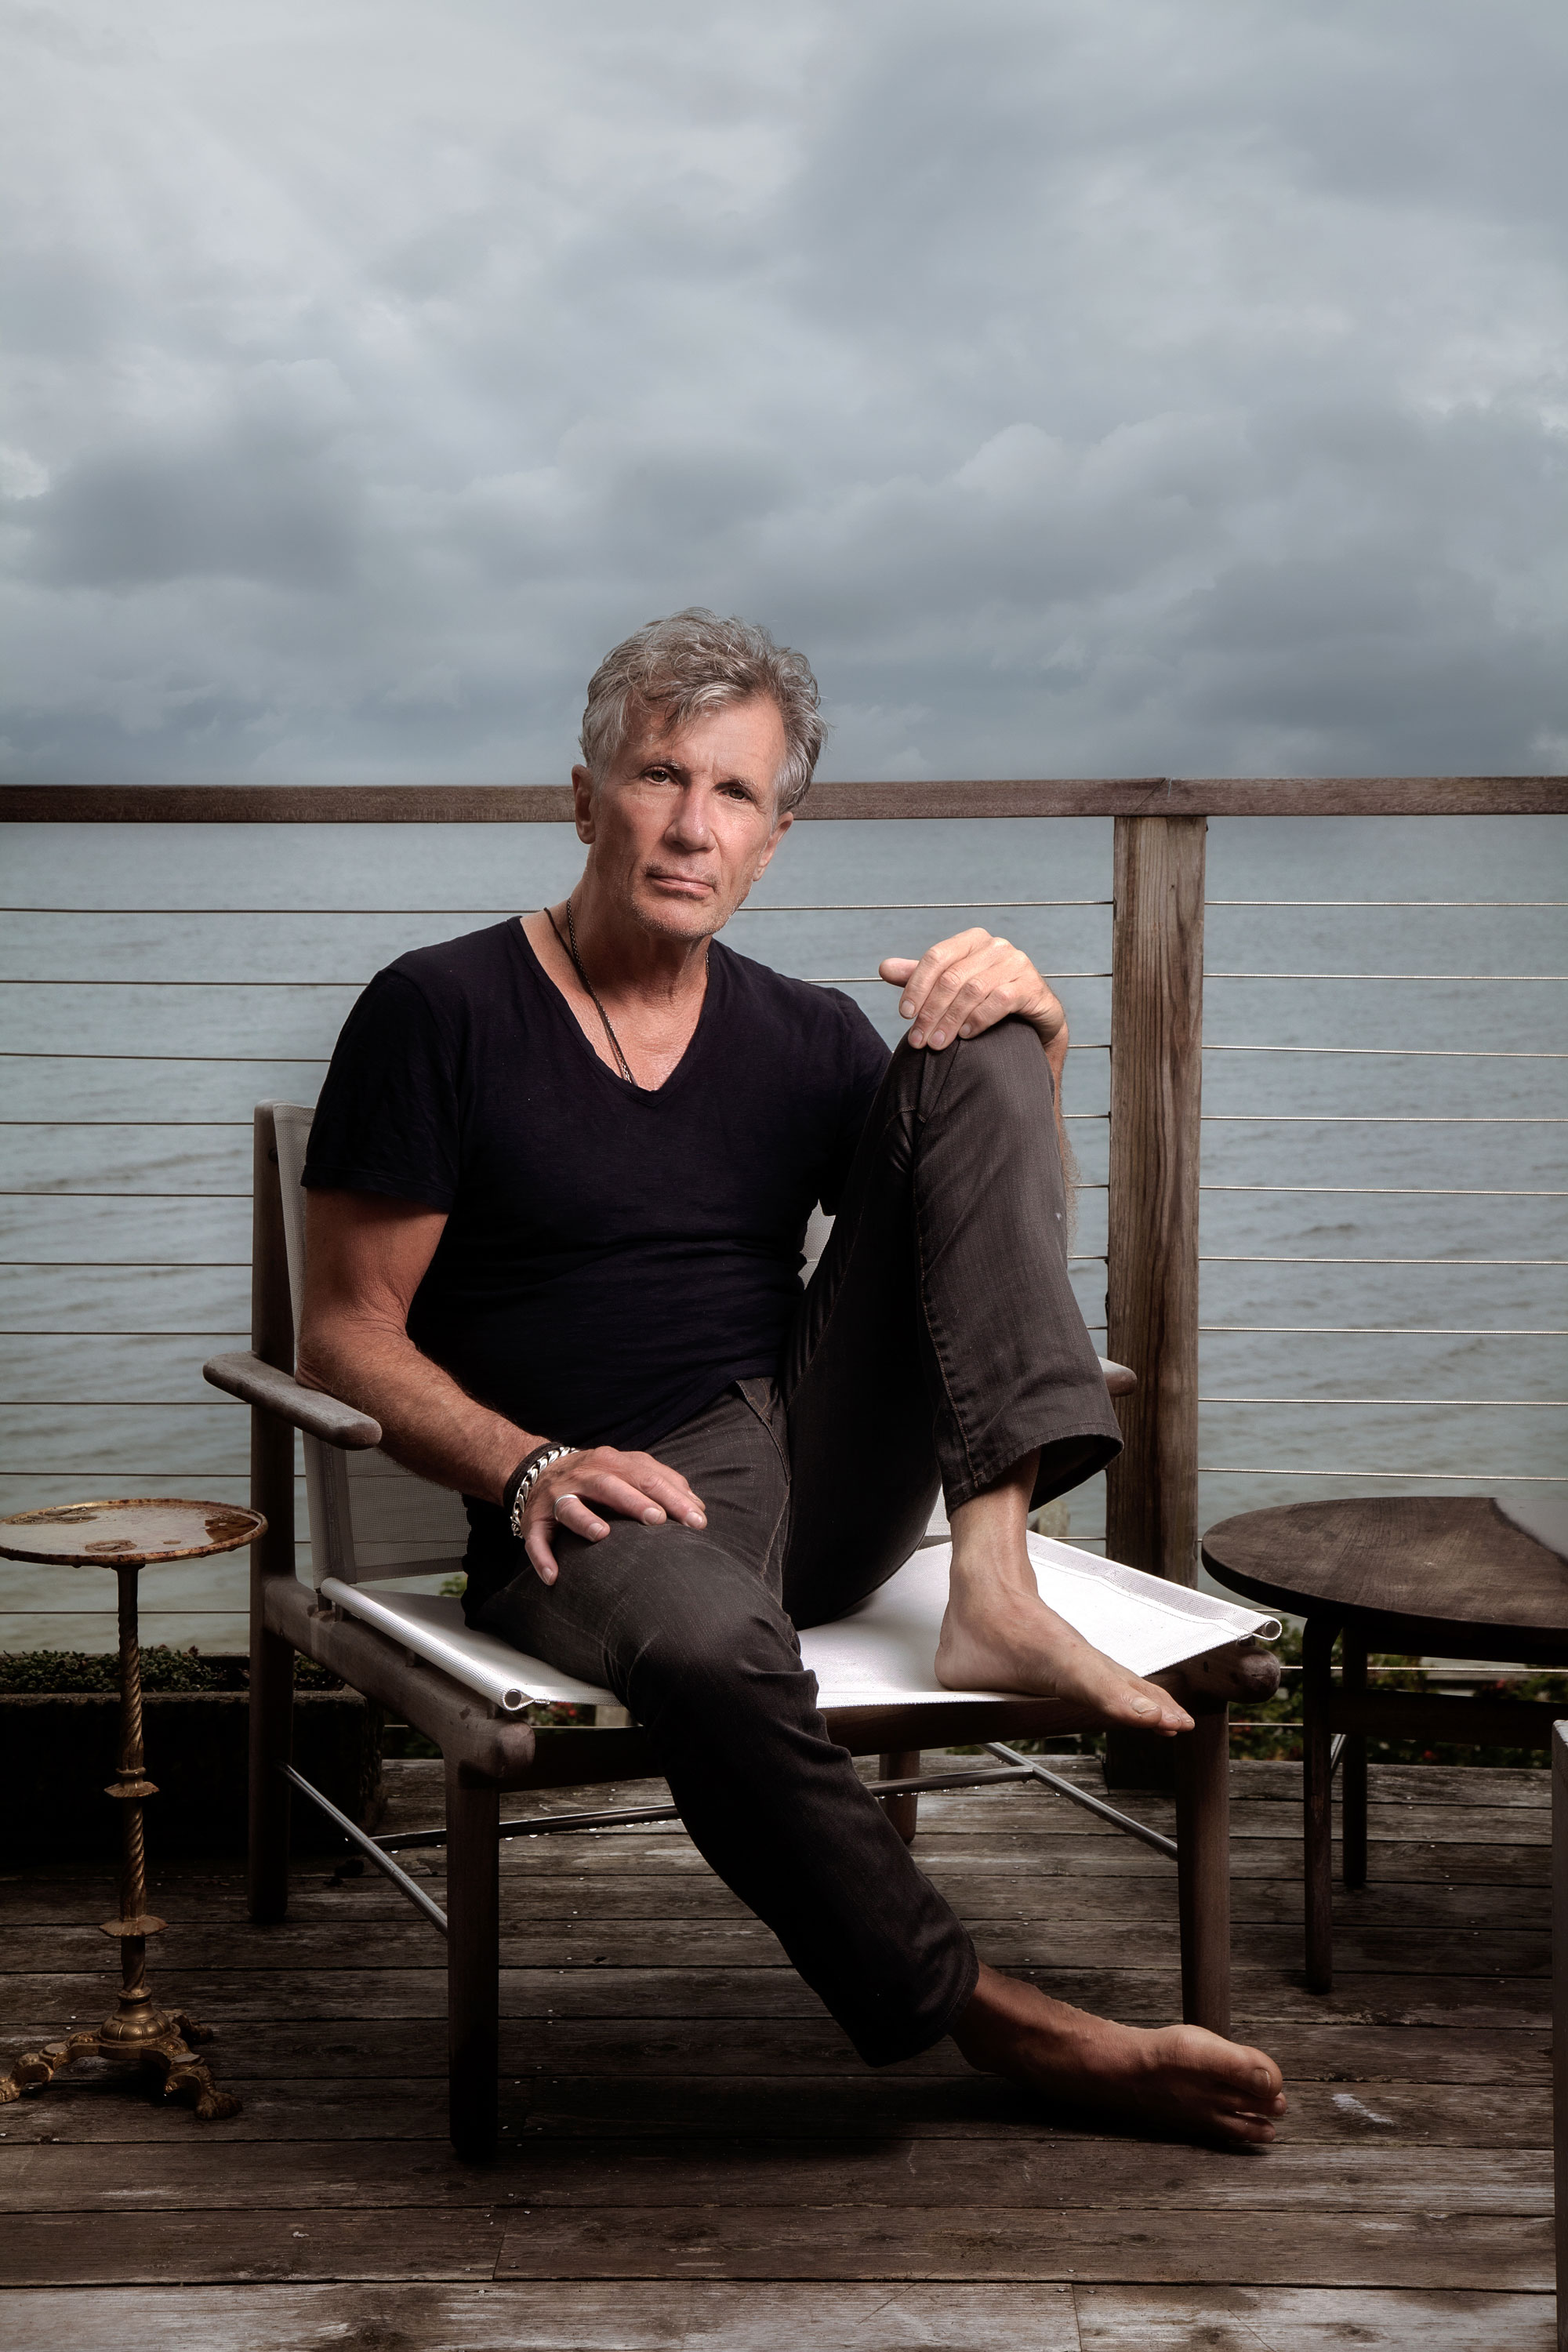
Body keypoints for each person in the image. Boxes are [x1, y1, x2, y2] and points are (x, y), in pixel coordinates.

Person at [297, 608, 1287, 2146]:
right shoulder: (440, 1011)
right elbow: (347, 1331)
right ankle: (1003, 2024)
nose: (692, 825)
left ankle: (993, 1584)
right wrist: (528, 1464)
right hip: (603, 1511)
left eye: (737, 794)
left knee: (974, 1040)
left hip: (814, 1479)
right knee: (705, 1653)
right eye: (658, 775)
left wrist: (1042, 1037)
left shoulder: (808, 1037)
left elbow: (980, 1233)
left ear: (775, 837)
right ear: (583, 797)